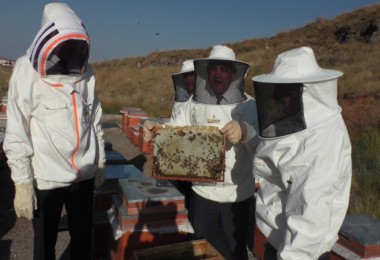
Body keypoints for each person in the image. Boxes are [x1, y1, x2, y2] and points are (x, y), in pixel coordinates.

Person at [3, 3, 105, 260]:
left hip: (83, 176)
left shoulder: (87, 73)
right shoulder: (26, 70)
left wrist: (100, 161)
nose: (70, 52)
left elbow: (94, 120)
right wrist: (22, 182)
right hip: (47, 178)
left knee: (83, 240)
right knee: (44, 244)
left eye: (74, 45)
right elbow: (17, 129)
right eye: (65, 45)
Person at [145, 45, 259, 259]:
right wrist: (156, 132)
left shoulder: (251, 106)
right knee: (200, 251)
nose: (217, 73)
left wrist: (246, 132)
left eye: (223, 69)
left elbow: (264, 147)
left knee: (235, 253)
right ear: (207, 72)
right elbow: (176, 131)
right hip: (203, 193)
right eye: (213, 68)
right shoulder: (193, 104)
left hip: (238, 196)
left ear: (234, 74)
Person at [252, 46, 352, 259]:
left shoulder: (321, 143)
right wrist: (245, 135)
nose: (278, 98)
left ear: (307, 91)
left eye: (284, 92)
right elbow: (277, 153)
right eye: (277, 91)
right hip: (281, 238)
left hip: (299, 252)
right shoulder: (302, 124)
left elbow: (310, 217)